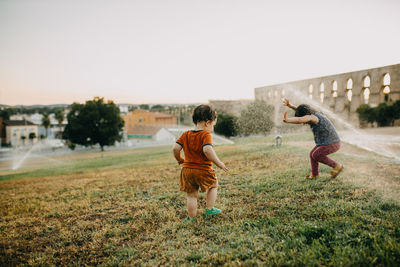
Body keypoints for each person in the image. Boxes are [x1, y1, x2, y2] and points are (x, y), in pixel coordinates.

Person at [172, 104, 228, 222]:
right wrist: (219, 163)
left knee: (191, 195)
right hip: (203, 169)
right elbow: (207, 150)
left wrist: (179, 160)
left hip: (187, 170)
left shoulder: (185, 134)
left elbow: (175, 149)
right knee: (213, 185)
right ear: (207, 123)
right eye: (213, 125)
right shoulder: (206, 134)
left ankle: (191, 218)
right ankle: (209, 208)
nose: (212, 128)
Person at [282, 98, 343, 179]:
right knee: (312, 154)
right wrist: (290, 106)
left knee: (316, 155)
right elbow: (301, 112)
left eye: (304, 119)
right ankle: (315, 174)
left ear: (305, 115)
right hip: (326, 142)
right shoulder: (314, 114)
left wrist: (287, 120)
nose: (304, 122)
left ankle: (337, 166)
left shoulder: (313, 117)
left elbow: (300, 119)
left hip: (332, 143)